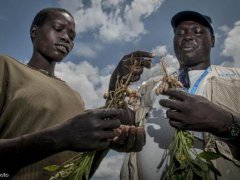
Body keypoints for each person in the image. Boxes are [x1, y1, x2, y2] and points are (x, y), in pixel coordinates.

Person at [0, 7, 147, 179]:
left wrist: (106, 141)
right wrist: (61, 137)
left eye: (72, 37)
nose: (66, 38)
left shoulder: (75, 96)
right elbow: (66, 137)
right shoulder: (7, 67)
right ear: (34, 32)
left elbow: (78, 163)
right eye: (57, 28)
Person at [111, 11, 240, 179]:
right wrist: (117, 82)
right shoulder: (153, 84)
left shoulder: (235, 78)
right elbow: (128, 122)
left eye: (197, 31)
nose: (187, 36)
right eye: (180, 32)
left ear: (213, 40)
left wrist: (226, 124)